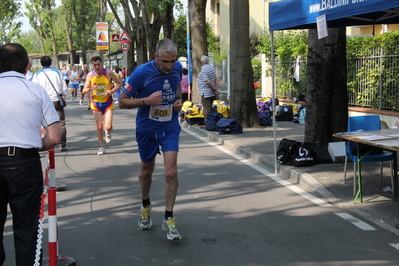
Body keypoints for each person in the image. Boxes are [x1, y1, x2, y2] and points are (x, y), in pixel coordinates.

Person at [0, 43, 61, 266]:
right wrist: (32, 145)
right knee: (26, 230)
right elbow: (55, 136)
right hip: (24, 163)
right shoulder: (35, 90)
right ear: (27, 67)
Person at [119, 38, 183, 241]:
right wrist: (146, 101)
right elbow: (122, 102)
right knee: (147, 171)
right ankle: (145, 204)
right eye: (165, 61)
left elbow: (177, 88)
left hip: (170, 127)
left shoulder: (177, 67)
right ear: (156, 56)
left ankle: (169, 218)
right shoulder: (140, 73)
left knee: (171, 172)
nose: (169, 66)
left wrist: (179, 99)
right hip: (147, 129)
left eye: (172, 61)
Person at [82, 56, 122, 155]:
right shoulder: (90, 75)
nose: (97, 67)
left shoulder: (108, 73)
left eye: (98, 64)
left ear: (101, 64)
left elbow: (119, 83)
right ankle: (101, 146)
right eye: (94, 65)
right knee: (99, 126)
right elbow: (84, 90)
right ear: (92, 66)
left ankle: (108, 131)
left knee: (107, 126)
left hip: (107, 103)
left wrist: (112, 90)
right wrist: (90, 88)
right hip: (96, 103)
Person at [32, 55, 69, 151]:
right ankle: (62, 144)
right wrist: (63, 94)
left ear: (41, 64)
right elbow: (63, 85)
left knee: (45, 123)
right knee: (61, 122)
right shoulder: (57, 72)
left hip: (44, 102)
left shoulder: (37, 74)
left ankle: (48, 143)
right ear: (50, 63)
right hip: (56, 100)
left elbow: (35, 88)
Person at [198, 55, 218, 121]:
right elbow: (215, 78)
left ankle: (208, 123)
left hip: (205, 92)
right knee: (209, 107)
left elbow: (208, 82)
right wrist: (215, 87)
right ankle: (210, 122)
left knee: (206, 109)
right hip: (211, 92)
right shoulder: (211, 68)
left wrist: (213, 88)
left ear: (202, 62)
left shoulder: (204, 70)